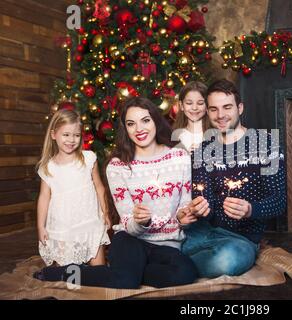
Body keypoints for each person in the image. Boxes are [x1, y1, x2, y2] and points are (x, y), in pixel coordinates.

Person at [35, 97, 205, 289]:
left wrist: (184, 217)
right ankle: (61, 272)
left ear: (156, 120)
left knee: (186, 272)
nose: (139, 129)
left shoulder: (180, 157)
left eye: (145, 120)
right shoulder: (117, 166)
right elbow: (128, 224)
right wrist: (141, 221)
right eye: (131, 124)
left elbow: (184, 207)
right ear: (126, 129)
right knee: (126, 281)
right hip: (130, 239)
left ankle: (128, 271)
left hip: (166, 245)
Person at [182, 79, 287, 278]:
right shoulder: (202, 151)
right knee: (165, 244)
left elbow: (279, 201)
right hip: (204, 232)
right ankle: (177, 262)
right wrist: (201, 207)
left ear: (240, 108)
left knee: (228, 261)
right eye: (213, 109)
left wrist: (250, 209)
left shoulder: (267, 145)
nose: (220, 115)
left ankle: (180, 266)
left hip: (241, 240)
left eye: (227, 107)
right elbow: (205, 200)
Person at [35, 109, 111, 267]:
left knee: (99, 273)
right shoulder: (49, 167)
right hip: (63, 227)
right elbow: (44, 198)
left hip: (90, 223)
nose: (71, 140)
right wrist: (40, 226)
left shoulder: (88, 158)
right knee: (71, 280)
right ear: (54, 134)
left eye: (76, 135)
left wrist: (105, 213)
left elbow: (99, 187)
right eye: (66, 135)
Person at [172, 81, 209, 152]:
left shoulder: (216, 133)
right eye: (189, 103)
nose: (194, 108)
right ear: (181, 105)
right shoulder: (176, 135)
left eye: (200, 103)